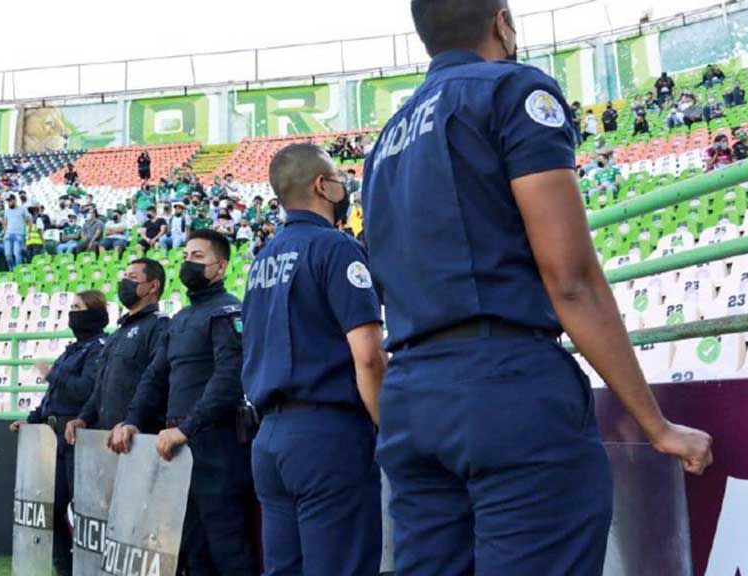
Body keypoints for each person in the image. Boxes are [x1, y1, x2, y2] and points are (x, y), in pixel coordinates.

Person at [362, 1, 713, 574]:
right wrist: (657, 425)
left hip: (411, 399)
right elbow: (571, 279)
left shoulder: (384, 143)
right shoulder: (512, 90)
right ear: (501, 21)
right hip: (504, 386)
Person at [242, 144, 387, 574]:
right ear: (322, 186)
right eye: (338, 178)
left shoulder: (262, 260)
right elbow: (367, 355)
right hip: (328, 435)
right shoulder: (335, 247)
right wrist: (388, 426)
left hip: (269, 439)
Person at [109, 230, 257, 574]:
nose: (187, 262)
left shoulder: (228, 310)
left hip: (217, 445)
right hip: (177, 449)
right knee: (191, 552)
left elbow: (228, 379)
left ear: (219, 267)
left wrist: (187, 429)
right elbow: (154, 377)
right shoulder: (181, 319)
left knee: (228, 549)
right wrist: (131, 419)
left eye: (198, 257)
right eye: (186, 255)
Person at [9, 290, 107, 576]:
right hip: (54, 439)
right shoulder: (74, 348)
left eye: (79, 307)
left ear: (95, 313)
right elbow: (53, 394)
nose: (72, 312)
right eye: (72, 307)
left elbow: (86, 390)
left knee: (85, 510)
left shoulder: (99, 347)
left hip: (80, 438)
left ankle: (89, 568)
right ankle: (65, 568)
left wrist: (52, 373)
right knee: (50, 509)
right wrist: (31, 419)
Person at [65, 259, 169, 441]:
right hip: (108, 438)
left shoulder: (160, 327)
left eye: (133, 277)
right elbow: (101, 386)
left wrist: (132, 421)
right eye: (124, 276)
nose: (124, 282)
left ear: (153, 286)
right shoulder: (117, 334)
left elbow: (156, 382)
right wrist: (83, 418)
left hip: (138, 438)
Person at [2, 194, 31, 270]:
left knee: (17, 254)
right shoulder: (6, 211)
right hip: (8, 234)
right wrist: (4, 234)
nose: (9, 202)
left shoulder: (22, 209)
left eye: (10, 200)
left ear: (14, 200)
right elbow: (5, 223)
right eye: (8, 201)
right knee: (8, 255)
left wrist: (28, 232)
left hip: (19, 234)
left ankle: (18, 270)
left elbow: (29, 220)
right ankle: (12, 270)